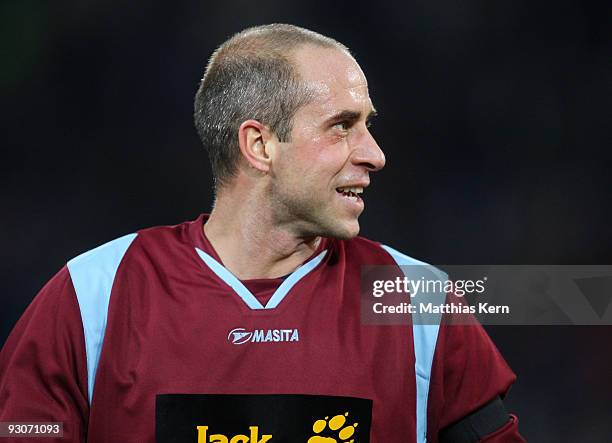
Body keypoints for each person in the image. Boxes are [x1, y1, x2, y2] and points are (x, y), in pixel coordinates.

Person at [0, 24, 525, 442]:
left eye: (368, 125)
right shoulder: (92, 295)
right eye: (342, 125)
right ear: (260, 146)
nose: (375, 154)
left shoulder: (419, 301)